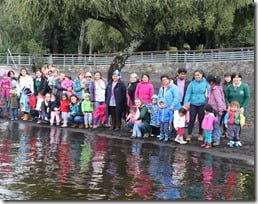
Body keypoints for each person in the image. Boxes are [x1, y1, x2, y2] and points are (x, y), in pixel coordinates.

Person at [183, 69, 209, 142]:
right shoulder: (192, 83)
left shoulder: (206, 83)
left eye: (198, 75)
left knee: (201, 119)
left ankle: (200, 134)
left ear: (202, 75)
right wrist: (185, 103)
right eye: (195, 75)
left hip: (202, 104)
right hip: (193, 103)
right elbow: (188, 93)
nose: (197, 76)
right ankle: (189, 134)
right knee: (191, 119)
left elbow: (209, 93)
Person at [206, 75, 227, 146]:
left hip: (217, 110)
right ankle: (212, 138)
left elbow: (219, 100)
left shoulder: (216, 89)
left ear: (211, 82)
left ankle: (216, 139)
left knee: (216, 125)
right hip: (213, 109)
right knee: (213, 125)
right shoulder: (213, 88)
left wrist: (220, 110)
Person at [221, 72, 232, 138]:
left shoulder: (233, 85)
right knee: (224, 118)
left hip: (233, 104)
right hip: (224, 104)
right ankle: (224, 132)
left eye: (228, 77)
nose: (227, 78)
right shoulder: (222, 85)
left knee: (232, 118)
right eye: (226, 77)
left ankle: (231, 132)